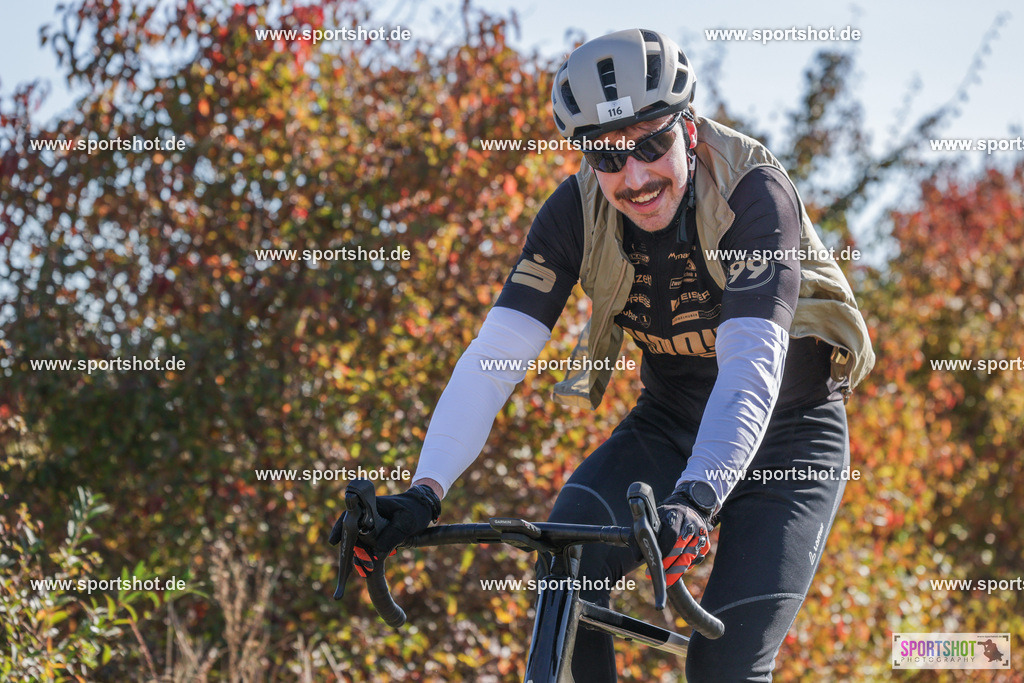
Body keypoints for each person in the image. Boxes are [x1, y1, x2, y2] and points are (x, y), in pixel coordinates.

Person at [330, 28, 875, 681]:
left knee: (723, 662)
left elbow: (753, 364)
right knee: (566, 555)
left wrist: (698, 499)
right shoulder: (571, 213)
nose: (635, 176)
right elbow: (496, 355)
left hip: (789, 432)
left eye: (651, 143)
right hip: (671, 419)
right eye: (607, 156)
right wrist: (425, 491)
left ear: (688, 127)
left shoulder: (753, 192)